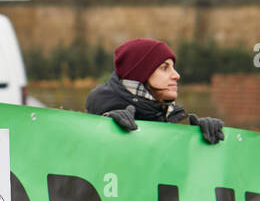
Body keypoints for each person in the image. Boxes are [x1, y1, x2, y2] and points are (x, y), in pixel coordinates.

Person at [86, 38, 225, 143]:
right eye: (164, 68)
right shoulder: (101, 118)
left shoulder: (170, 117)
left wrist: (198, 141)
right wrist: (105, 128)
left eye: (173, 67)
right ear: (140, 74)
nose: (177, 75)